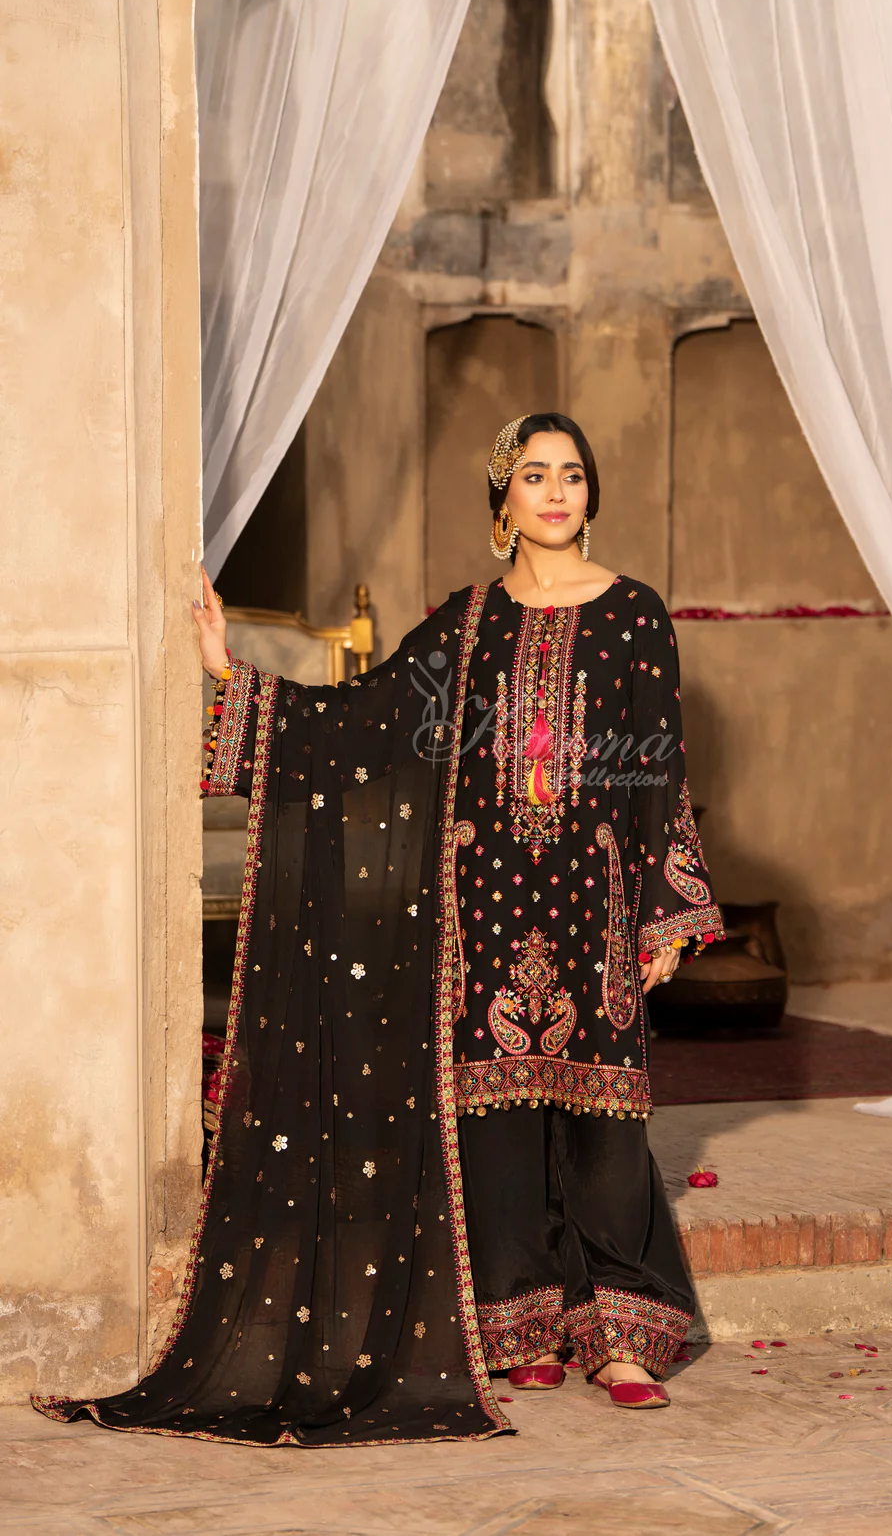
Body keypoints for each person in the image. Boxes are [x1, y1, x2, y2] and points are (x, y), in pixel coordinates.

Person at [32, 413, 722, 1447]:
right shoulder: (469, 620)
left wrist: (664, 908)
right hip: (483, 899)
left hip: (594, 896)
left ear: (590, 493)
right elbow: (368, 717)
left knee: (604, 1117)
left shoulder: (634, 613)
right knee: (493, 1116)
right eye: (534, 475)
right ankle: (524, 1322)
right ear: (503, 497)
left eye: (572, 475)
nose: (555, 492)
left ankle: (621, 1333)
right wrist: (232, 674)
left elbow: (659, 764)